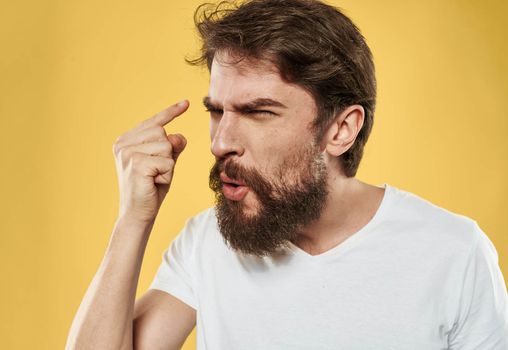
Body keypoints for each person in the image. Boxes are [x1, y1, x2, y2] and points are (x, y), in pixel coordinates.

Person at [65, 0, 508, 349]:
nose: (221, 142)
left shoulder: (454, 252)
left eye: (258, 112)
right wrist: (133, 219)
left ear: (340, 130)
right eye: (217, 111)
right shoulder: (205, 244)